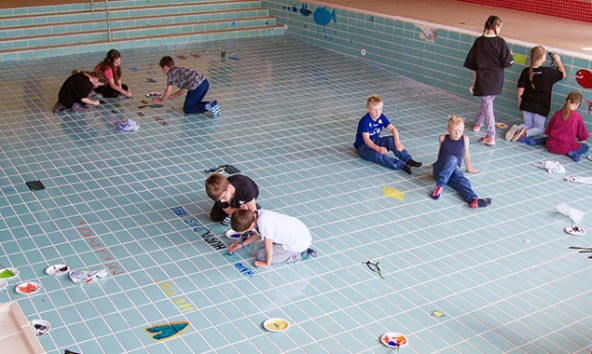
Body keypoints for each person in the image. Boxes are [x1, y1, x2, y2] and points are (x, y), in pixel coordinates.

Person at [464, 15, 514, 146]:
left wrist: (475, 83)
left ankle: (491, 135)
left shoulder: (479, 42)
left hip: (483, 79)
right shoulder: (501, 42)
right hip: (497, 79)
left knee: (488, 105)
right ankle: (478, 123)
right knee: (487, 103)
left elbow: (473, 65)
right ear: (496, 27)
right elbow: (508, 62)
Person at [506, 46, 566, 142]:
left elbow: (520, 89)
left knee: (527, 125)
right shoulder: (548, 72)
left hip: (526, 104)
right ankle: (525, 133)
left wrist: (520, 102)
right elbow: (563, 74)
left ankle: (517, 128)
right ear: (543, 57)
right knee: (538, 128)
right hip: (540, 107)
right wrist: (558, 60)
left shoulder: (525, 71)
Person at [431, 115, 492, 208]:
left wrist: (469, 168)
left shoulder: (465, 139)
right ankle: (439, 186)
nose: (457, 134)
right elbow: (440, 154)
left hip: (453, 171)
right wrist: (436, 165)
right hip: (440, 170)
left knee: (462, 181)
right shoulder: (443, 138)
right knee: (452, 159)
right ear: (448, 130)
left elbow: (466, 154)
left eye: (460, 131)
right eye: (454, 131)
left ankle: (473, 200)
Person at [353, 95, 422, 175]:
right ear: (368, 110)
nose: (377, 112)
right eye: (374, 110)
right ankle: (401, 165)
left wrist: (397, 143)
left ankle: (408, 160)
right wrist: (378, 148)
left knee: (391, 140)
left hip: (375, 141)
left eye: (379, 109)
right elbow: (366, 139)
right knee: (376, 154)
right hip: (363, 146)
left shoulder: (381, 117)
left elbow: (393, 129)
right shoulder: (365, 121)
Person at [228, 209, 316, 268]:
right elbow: (260, 234)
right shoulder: (256, 214)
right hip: (299, 232)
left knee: (261, 255)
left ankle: (297, 255)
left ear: (250, 225)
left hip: (298, 243)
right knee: (262, 246)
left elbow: (268, 244)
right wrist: (241, 245)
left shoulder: (264, 222)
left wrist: (267, 263)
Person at [523, 92, 589, 162]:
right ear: (578, 104)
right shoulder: (578, 117)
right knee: (585, 147)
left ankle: (534, 141)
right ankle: (575, 153)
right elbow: (584, 136)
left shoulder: (557, 113)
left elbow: (547, 131)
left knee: (548, 139)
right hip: (566, 149)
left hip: (551, 146)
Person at [153, 56, 220, 116]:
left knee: (187, 109)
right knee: (195, 103)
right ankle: (213, 105)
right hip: (205, 83)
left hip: (197, 87)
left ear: (165, 68)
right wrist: (171, 97)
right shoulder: (180, 70)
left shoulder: (171, 74)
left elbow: (168, 91)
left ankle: (208, 106)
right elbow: (182, 91)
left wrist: (161, 101)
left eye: (162, 69)